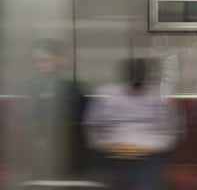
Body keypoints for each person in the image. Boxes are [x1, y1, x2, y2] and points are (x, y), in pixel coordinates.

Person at [84, 57, 181, 190]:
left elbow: (173, 131)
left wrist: (146, 148)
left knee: (146, 180)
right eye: (133, 74)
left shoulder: (159, 97)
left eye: (140, 75)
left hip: (149, 154)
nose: (136, 79)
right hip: (110, 153)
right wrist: (109, 146)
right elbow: (91, 127)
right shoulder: (105, 94)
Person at [25, 38, 86, 179]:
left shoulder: (73, 88)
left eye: (44, 60)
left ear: (59, 60)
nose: (39, 65)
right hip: (39, 153)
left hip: (66, 153)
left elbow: (76, 121)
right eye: (36, 61)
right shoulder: (32, 87)